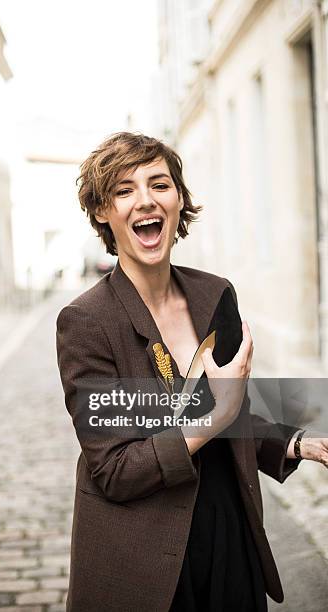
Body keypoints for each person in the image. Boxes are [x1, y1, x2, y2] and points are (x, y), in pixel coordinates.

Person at [56, 132, 328, 612]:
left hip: (230, 533)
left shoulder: (215, 295)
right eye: (124, 190)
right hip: (146, 554)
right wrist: (215, 416)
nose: (145, 200)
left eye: (159, 184)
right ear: (102, 211)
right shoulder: (86, 323)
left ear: (178, 199)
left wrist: (296, 441)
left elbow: (231, 411)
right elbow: (116, 470)